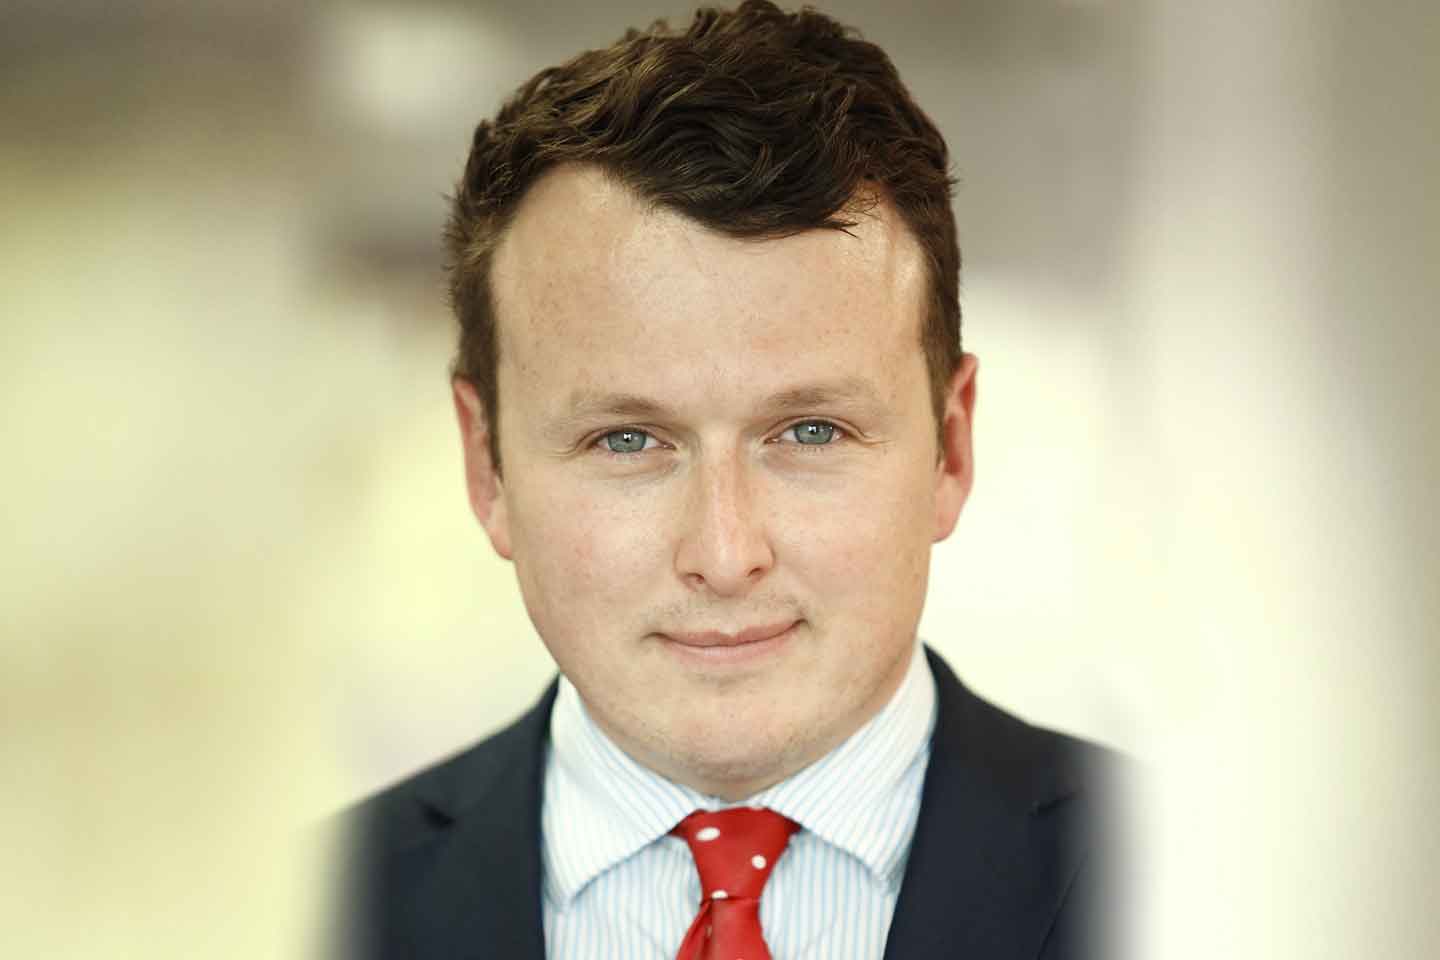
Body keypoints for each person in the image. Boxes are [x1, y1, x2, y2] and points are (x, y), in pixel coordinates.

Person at [338, 2, 1123, 957]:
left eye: (810, 431)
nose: (723, 553)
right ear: (486, 465)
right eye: (627, 440)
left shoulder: (1205, 886)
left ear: (950, 450)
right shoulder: (305, 915)